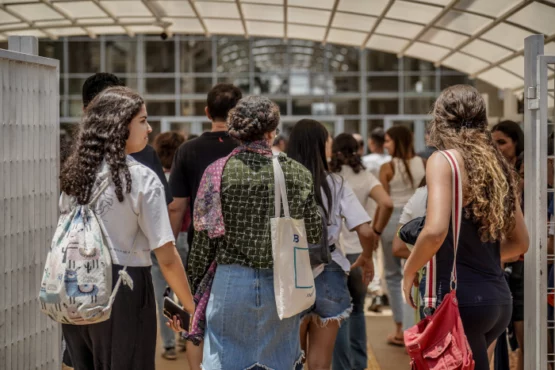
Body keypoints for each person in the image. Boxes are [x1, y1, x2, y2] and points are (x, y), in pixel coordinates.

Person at [174, 96, 322, 369]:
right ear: (272, 131)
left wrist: (193, 291)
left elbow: (203, 244)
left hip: (229, 283)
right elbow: (313, 232)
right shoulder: (296, 173)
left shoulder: (216, 172)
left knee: (225, 360)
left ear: (236, 132)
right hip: (282, 284)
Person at [60, 86, 195, 370]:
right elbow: (167, 258)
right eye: (143, 120)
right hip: (124, 288)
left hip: (74, 286)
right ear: (120, 126)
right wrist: (191, 308)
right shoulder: (142, 178)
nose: (150, 128)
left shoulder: (77, 173)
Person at [403, 85, 529, 370]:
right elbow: (521, 242)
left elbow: (435, 231)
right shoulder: (498, 165)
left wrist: (410, 270)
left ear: (439, 118)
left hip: (458, 300)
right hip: (497, 299)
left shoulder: (443, 160)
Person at [287, 119, 377, 370]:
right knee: (321, 362)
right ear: (318, 145)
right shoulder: (336, 183)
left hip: (291, 273)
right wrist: (367, 257)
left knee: (293, 359)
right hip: (330, 272)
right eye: (327, 140)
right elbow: (366, 231)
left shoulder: (282, 182)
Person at [168, 83, 241, 369]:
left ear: (207, 111)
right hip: (239, 248)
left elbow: (177, 205)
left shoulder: (188, 150)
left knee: (196, 314)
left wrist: (170, 246)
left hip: (199, 246)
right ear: (237, 114)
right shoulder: (246, 148)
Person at [329, 133, 394, 370]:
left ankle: (342, 366)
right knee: (357, 310)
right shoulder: (366, 176)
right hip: (360, 252)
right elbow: (387, 203)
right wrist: (375, 230)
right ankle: (360, 365)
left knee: (339, 313)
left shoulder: (330, 178)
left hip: (335, 253)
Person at [82, 72, 173, 206]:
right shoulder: (144, 159)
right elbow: (161, 210)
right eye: (142, 121)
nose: (149, 128)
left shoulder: (74, 160)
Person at [379, 125, 426, 347]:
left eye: (388, 141)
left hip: (392, 222)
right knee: (417, 271)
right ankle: (416, 327)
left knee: (392, 274)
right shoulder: (423, 164)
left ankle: (400, 329)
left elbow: (385, 202)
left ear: (397, 141)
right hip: (417, 221)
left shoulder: (387, 167)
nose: (385, 145)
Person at [491, 120, 525, 370]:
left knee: (523, 325)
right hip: (502, 254)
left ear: (516, 142)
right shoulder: (493, 171)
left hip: (525, 257)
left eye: (502, 142)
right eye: (493, 143)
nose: (497, 148)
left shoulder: (527, 171)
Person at [151, 131, 187, 359]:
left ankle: (168, 345)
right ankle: (185, 334)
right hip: (184, 236)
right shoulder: (183, 178)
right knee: (185, 292)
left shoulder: (153, 179)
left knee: (162, 295)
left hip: (158, 240)